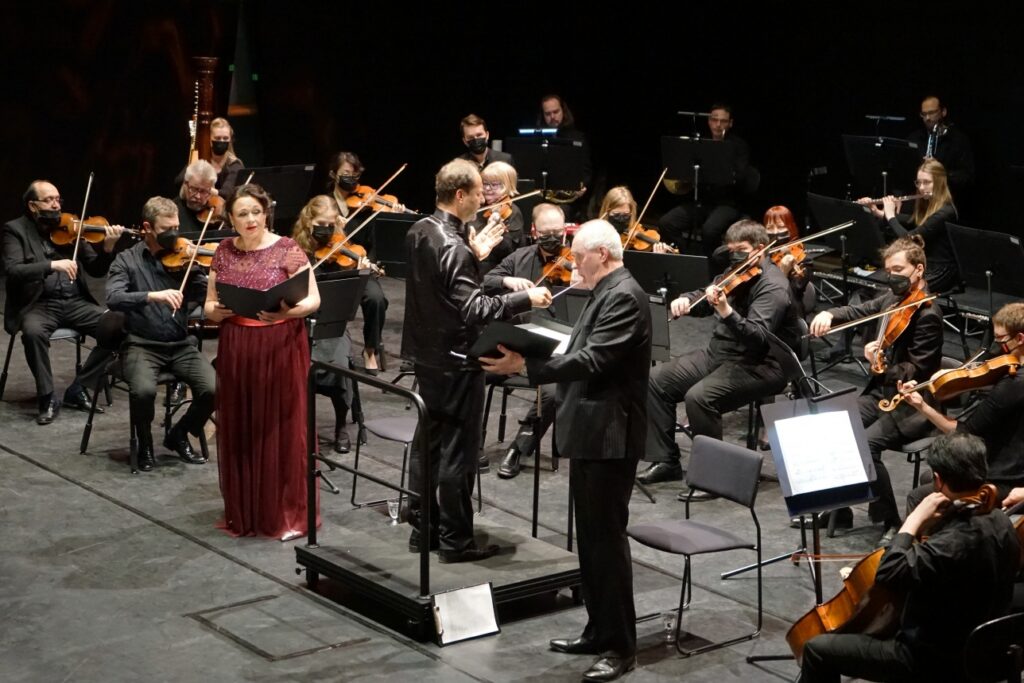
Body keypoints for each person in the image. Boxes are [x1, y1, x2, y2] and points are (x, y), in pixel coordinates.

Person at [481, 219, 651, 682]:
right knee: (591, 541)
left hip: (610, 437)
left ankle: (620, 647)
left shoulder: (624, 295)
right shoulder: (605, 290)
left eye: (578, 256)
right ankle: (599, 629)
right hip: (592, 431)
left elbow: (594, 358)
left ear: (602, 253)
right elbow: (583, 346)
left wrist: (528, 364)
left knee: (607, 542)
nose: (572, 263)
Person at [400, 158, 552, 563]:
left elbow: (441, 290)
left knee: (426, 445)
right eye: (478, 192)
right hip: (456, 360)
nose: (483, 200)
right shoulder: (452, 245)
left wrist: (474, 253)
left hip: (426, 355)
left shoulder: (420, 230)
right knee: (457, 452)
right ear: (461, 194)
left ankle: (423, 529)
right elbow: (473, 309)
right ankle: (456, 540)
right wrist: (525, 298)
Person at [799, 432, 1020, 683]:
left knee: (817, 650)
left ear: (938, 480)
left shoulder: (952, 543)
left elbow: (888, 573)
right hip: (986, 650)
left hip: (931, 659)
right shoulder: (1002, 521)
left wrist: (912, 522)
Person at [637, 220, 798, 490]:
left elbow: (758, 337)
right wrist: (688, 300)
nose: (734, 256)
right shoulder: (735, 270)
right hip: (721, 354)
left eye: (741, 250)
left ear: (760, 249)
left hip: (761, 363)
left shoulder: (773, 286)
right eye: (731, 250)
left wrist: (727, 312)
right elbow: (705, 297)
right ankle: (666, 461)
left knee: (700, 398)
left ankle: (714, 478)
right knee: (655, 381)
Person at [203, 184, 321, 540]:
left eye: (256, 211)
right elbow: (209, 307)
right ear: (231, 220)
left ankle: (281, 512)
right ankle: (247, 510)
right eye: (242, 214)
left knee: (280, 427)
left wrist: (289, 312)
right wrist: (218, 313)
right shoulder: (223, 251)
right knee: (242, 427)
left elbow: (314, 299)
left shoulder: (287, 248)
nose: (251, 219)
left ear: (265, 212)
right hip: (238, 346)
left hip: (280, 345)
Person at [808, 236, 943, 542]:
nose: (891, 276)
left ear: (918, 270)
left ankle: (891, 520)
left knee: (864, 444)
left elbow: (915, 372)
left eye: (898, 269)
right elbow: (860, 311)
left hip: (912, 403)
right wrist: (830, 313)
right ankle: (839, 510)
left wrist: (880, 363)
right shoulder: (890, 300)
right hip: (882, 396)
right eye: (888, 270)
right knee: (832, 426)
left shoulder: (928, 315)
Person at [105, 196, 215, 471]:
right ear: (148, 227)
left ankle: (179, 434)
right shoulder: (127, 260)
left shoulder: (185, 260)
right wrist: (153, 296)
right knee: (142, 391)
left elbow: (206, 297)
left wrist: (210, 277)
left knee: (215, 389)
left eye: (177, 227)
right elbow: (113, 298)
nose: (175, 235)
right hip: (142, 345)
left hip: (180, 345)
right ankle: (144, 444)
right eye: (167, 229)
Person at [3, 179, 124, 424]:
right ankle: (47, 397)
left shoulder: (72, 230)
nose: (56, 205)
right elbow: (13, 270)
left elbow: (97, 269)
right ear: (33, 206)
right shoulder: (14, 230)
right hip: (37, 304)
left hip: (74, 303)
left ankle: (79, 387)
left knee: (119, 325)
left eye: (58, 199)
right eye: (49, 200)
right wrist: (51, 265)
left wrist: (108, 249)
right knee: (33, 332)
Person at [901, 302, 1024, 509]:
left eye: (1001, 340)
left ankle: (933, 541)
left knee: (919, 497)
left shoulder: (1013, 384)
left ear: (1020, 338)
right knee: (928, 479)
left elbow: (964, 431)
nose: (995, 346)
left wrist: (923, 406)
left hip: (1002, 478)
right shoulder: (1012, 375)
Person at [482, 203, 568, 478]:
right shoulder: (520, 257)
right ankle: (469, 444)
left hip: (556, 348)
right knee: (472, 368)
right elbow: (487, 280)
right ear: (534, 231)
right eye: (546, 232)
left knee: (554, 391)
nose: (553, 238)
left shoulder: (577, 262)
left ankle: (518, 449)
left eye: (558, 232)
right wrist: (509, 283)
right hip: (517, 341)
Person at [292, 194, 364, 453]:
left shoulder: (342, 250)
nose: (326, 230)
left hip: (332, 325)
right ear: (308, 221)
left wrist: (360, 272)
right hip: (299, 324)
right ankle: (296, 426)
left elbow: (355, 294)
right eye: (321, 224)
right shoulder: (294, 250)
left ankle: (341, 424)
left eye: (331, 225)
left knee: (340, 367)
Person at [658, 103, 756, 262]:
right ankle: (684, 258)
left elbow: (741, 177)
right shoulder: (700, 144)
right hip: (702, 203)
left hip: (728, 204)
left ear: (730, 123)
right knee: (666, 223)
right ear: (709, 121)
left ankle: (712, 266)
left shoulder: (738, 146)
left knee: (709, 230)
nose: (718, 125)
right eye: (714, 120)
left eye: (723, 121)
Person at [326, 150, 391, 374]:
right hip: (332, 267)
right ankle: (331, 349)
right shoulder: (324, 204)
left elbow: (373, 243)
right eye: (346, 174)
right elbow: (311, 236)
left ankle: (370, 349)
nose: (352, 179)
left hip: (360, 266)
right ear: (333, 174)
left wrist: (367, 263)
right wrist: (331, 226)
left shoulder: (366, 206)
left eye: (355, 175)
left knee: (377, 300)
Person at [859, 159, 959, 293]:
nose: (921, 187)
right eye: (919, 182)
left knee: (887, 290)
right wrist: (879, 213)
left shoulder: (946, 211)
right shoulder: (926, 203)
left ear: (940, 182)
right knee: (868, 285)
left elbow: (910, 240)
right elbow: (910, 221)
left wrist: (890, 216)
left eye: (927, 182)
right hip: (920, 265)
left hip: (940, 270)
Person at [906, 95, 974, 198]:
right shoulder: (914, 138)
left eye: (932, 113)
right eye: (924, 114)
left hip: (948, 198)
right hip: (919, 198)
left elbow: (966, 176)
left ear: (943, 112)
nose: (927, 118)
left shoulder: (957, 139)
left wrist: (939, 171)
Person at [537, 94, 591, 221]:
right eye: (547, 114)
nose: (552, 117)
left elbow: (586, 170)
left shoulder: (578, 138)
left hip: (569, 202)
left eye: (556, 112)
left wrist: (582, 186)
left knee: (562, 214)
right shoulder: (538, 138)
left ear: (564, 111)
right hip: (542, 198)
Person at [466, 161, 525, 273]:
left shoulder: (514, 212)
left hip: (496, 268)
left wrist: (498, 226)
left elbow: (510, 249)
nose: (487, 188)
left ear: (508, 185)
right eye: (485, 183)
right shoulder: (478, 205)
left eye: (494, 185)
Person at [175, 117, 245, 201]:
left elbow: (226, 193)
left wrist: (200, 188)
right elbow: (179, 181)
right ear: (210, 140)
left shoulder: (234, 164)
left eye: (225, 138)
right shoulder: (200, 159)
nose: (222, 141)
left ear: (230, 140)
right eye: (218, 138)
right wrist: (193, 165)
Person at [763, 205, 814, 317]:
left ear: (790, 228)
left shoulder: (803, 260)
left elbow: (794, 291)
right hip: (762, 307)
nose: (775, 232)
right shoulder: (762, 254)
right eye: (770, 228)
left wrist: (783, 272)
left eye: (780, 227)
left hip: (789, 313)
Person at [598, 186, 672, 253]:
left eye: (626, 214)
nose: (621, 219)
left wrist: (657, 256)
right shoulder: (596, 234)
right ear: (606, 211)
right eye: (616, 213)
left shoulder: (634, 229)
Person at [175, 159, 222, 233]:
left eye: (204, 191)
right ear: (185, 184)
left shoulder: (217, 216)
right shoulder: (172, 211)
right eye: (194, 189)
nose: (198, 196)